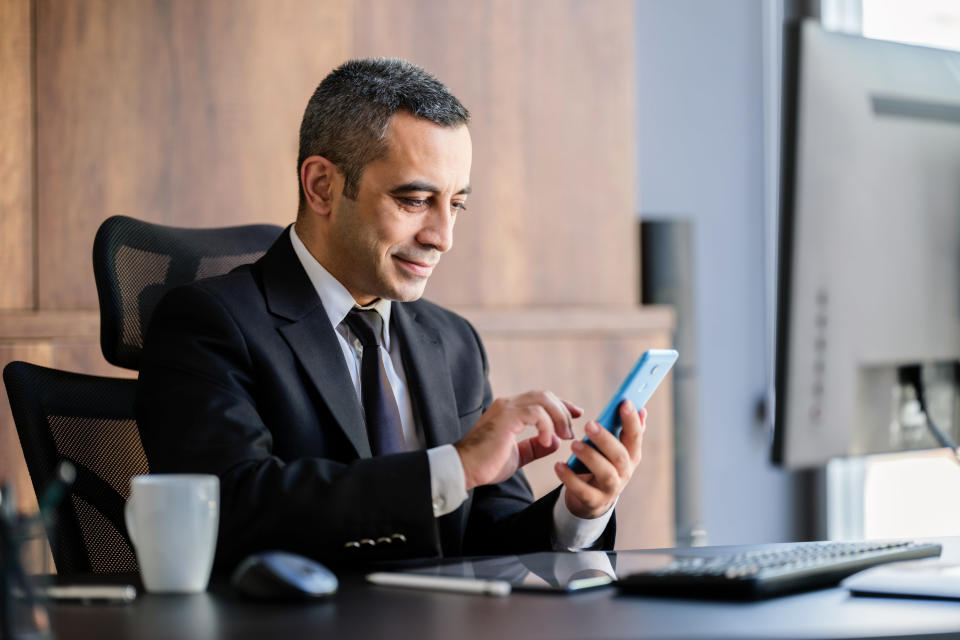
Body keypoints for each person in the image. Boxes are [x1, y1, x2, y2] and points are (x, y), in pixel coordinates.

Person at [136, 58, 647, 568]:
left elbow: (487, 540)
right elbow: (233, 507)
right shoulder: (209, 323)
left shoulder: (452, 342)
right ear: (322, 187)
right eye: (416, 200)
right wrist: (455, 467)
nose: (442, 237)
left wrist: (579, 512)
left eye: (457, 205)